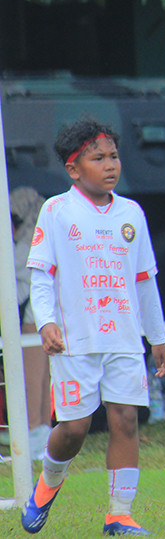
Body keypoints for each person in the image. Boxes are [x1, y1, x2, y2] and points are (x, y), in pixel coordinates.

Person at [22, 116, 165, 536]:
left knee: (125, 419)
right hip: (74, 342)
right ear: (73, 169)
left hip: (123, 339)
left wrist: (156, 338)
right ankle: (45, 489)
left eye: (114, 156)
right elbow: (41, 276)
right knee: (73, 429)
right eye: (98, 158)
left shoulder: (132, 214)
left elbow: (144, 281)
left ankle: (119, 514)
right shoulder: (56, 211)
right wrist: (47, 322)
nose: (110, 165)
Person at [10, 186, 52, 460]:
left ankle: (34, 432)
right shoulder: (43, 231)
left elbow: (18, 274)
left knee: (31, 378)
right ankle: (42, 431)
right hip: (45, 316)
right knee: (43, 376)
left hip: (31, 318)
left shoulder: (24, 244)